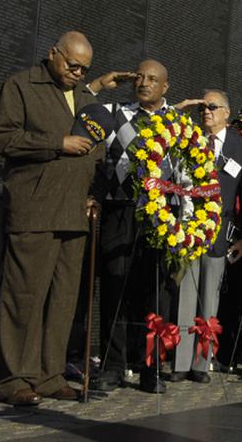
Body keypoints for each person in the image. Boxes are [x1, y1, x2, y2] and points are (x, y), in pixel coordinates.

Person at [0, 31, 101, 406]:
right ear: (53, 54)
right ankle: (13, 379)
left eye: (85, 69)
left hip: (74, 211)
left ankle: (49, 374)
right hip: (34, 207)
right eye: (72, 65)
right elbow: (4, 139)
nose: (78, 74)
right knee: (24, 295)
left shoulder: (86, 97)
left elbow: (96, 151)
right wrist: (58, 142)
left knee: (63, 299)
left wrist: (92, 192)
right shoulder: (21, 85)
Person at [91, 58, 179, 394]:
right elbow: (84, 112)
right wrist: (101, 83)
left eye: (152, 79)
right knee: (115, 287)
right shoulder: (116, 112)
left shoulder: (177, 122)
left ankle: (151, 368)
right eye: (139, 77)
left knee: (156, 294)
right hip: (120, 209)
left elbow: (187, 169)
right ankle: (113, 366)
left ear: (165, 87)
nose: (143, 83)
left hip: (160, 214)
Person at [169, 90, 242, 383]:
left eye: (212, 107)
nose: (206, 112)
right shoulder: (189, 139)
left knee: (210, 299)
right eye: (203, 108)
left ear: (227, 113)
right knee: (186, 295)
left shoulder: (240, 148)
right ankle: (180, 363)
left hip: (220, 233)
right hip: (189, 229)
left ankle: (201, 363)